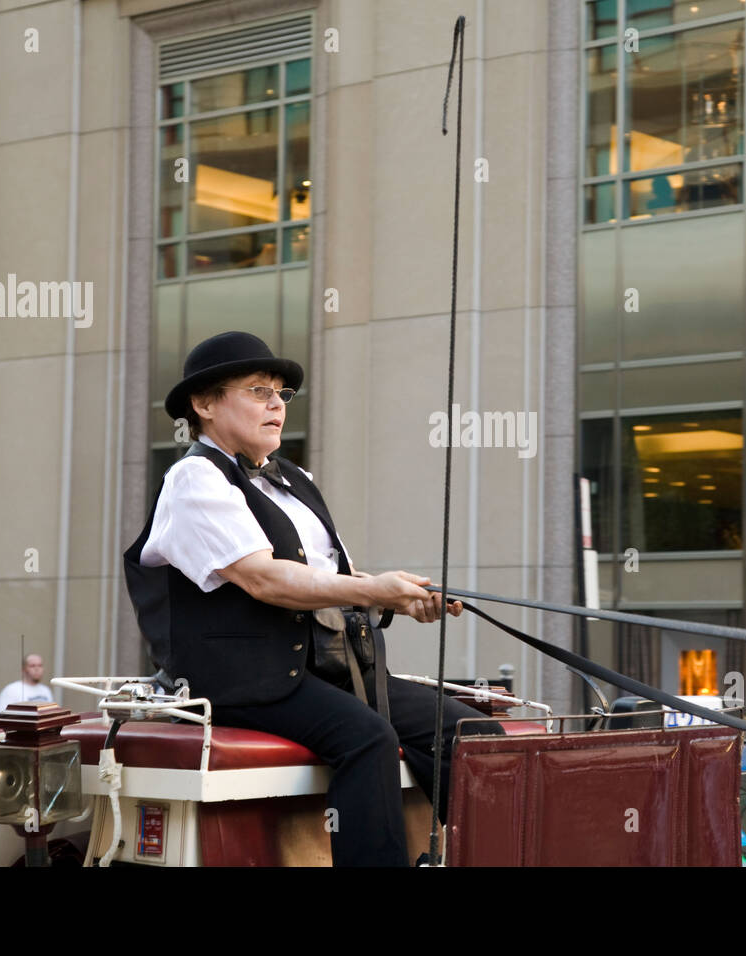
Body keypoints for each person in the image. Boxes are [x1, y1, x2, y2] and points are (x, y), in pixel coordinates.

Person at [123, 330, 503, 866]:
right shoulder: (194, 480)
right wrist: (374, 589)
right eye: (258, 390)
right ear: (204, 404)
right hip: (245, 681)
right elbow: (265, 579)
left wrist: (400, 597)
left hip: (325, 670)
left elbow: (328, 578)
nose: (277, 404)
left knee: (473, 732)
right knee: (367, 739)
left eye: (282, 393)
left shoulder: (295, 479)